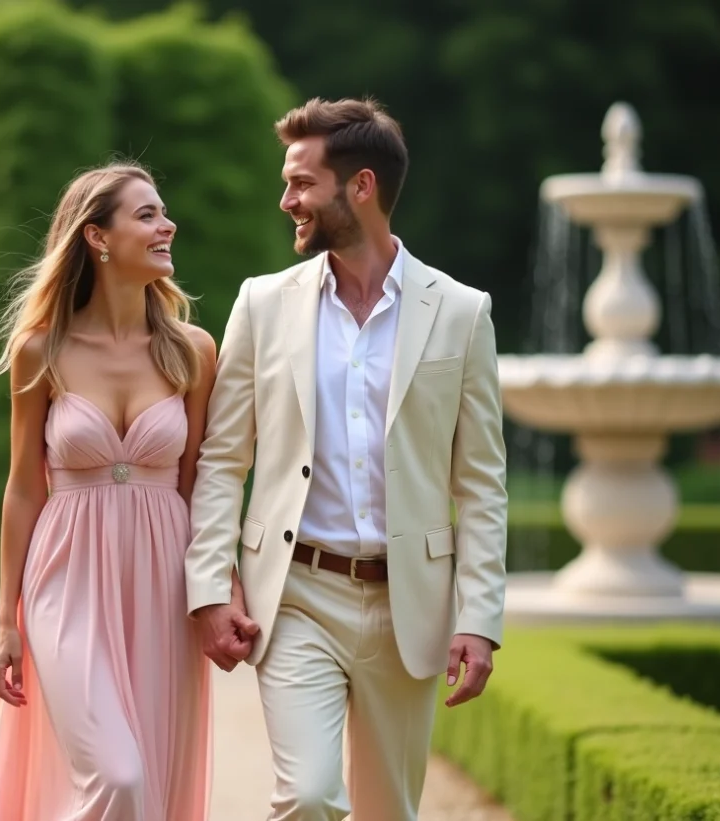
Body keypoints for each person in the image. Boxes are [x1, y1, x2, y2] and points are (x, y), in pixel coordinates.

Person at [0, 161, 239, 821]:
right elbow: (23, 488)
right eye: (146, 214)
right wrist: (7, 620)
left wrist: (219, 588)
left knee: (152, 781)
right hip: (66, 579)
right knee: (119, 775)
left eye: (162, 211)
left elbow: (201, 484)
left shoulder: (192, 351)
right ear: (97, 236)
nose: (166, 224)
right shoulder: (42, 350)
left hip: (160, 580)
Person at [185, 97, 509, 820]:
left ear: (360, 187)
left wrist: (480, 616)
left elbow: (483, 484)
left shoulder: (462, 312)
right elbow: (222, 459)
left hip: (410, 606)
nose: (286, 200)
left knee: (388, 808)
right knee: (308, 796)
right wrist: (210, 586)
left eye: (301, 182)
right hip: (297, 594)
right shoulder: (262, 305)